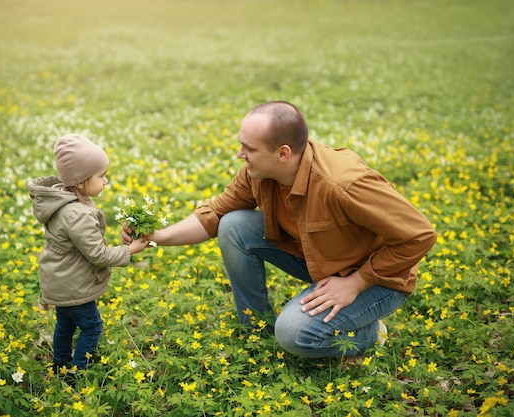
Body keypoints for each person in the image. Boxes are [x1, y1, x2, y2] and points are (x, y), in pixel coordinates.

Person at [123, 101, 437, 358]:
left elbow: (420, 235)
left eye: (249, 148)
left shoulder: (343, 183)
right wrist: (156, 238)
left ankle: (369, 332)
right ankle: (256, 329)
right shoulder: (258, 172)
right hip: (322, 261)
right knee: (233, 223)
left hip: (378, 280)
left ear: (283, 153)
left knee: (293, 334)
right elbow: (216, 214)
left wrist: (356, 283)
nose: (240, 155)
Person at [29, 134, 151, 381]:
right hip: (75, 286)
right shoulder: (78, 214)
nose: (106, 181)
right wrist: (130, 250)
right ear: (82, 181)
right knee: (92, 327)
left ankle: (59, 365)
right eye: (101, 175)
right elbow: (98, 254)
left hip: (60, 281)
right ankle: (77, 373)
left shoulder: (62, 201)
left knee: (64, 324)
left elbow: (86, 241)